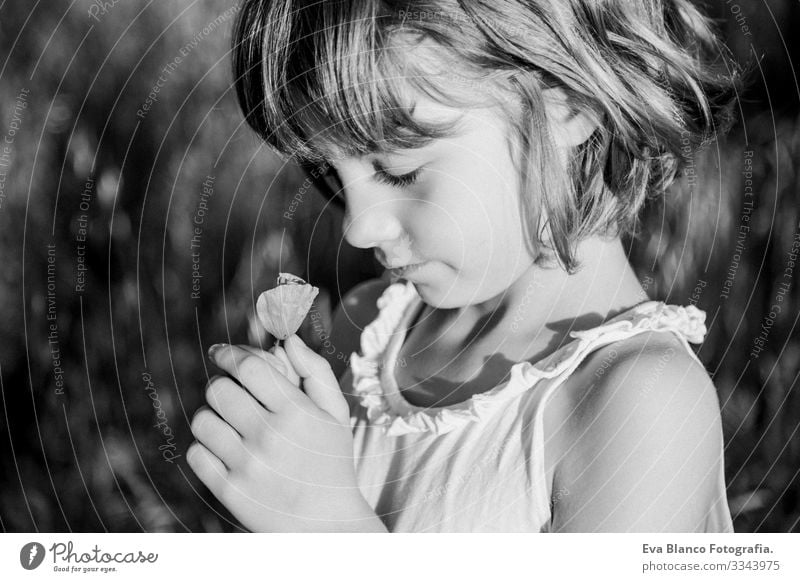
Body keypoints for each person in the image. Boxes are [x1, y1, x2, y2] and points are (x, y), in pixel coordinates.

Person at [187, 0, 740, 532]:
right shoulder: (366, 330)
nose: (357, 226)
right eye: (328, 171)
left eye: (399, 172)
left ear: (566, 104)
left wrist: (327, 529)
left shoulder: (639, 402)